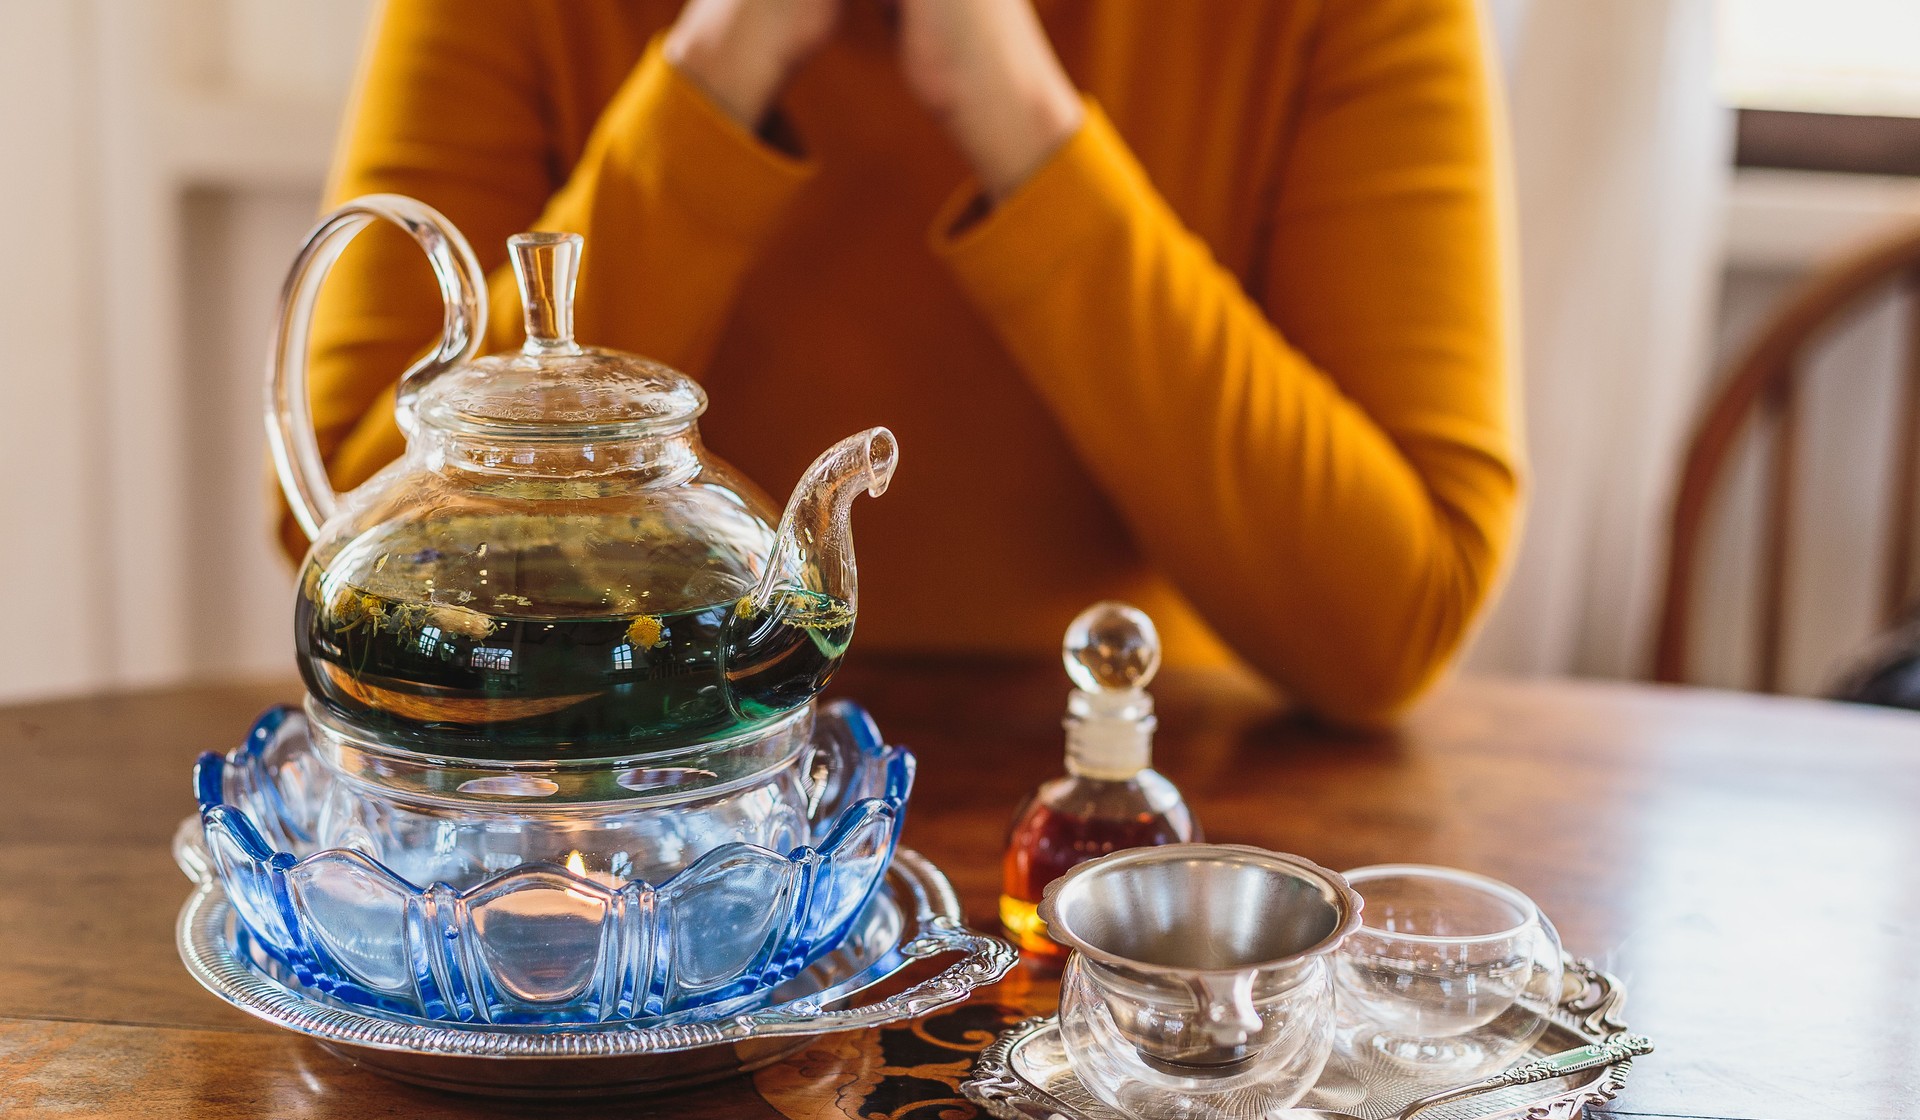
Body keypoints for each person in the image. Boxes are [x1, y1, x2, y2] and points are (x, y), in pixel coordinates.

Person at [292, 0, 1517, 725]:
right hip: (606, 813)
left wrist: (1024, 120)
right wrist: (720, 59)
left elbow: (1391, 613)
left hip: (1132, 841)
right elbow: (343, 534)